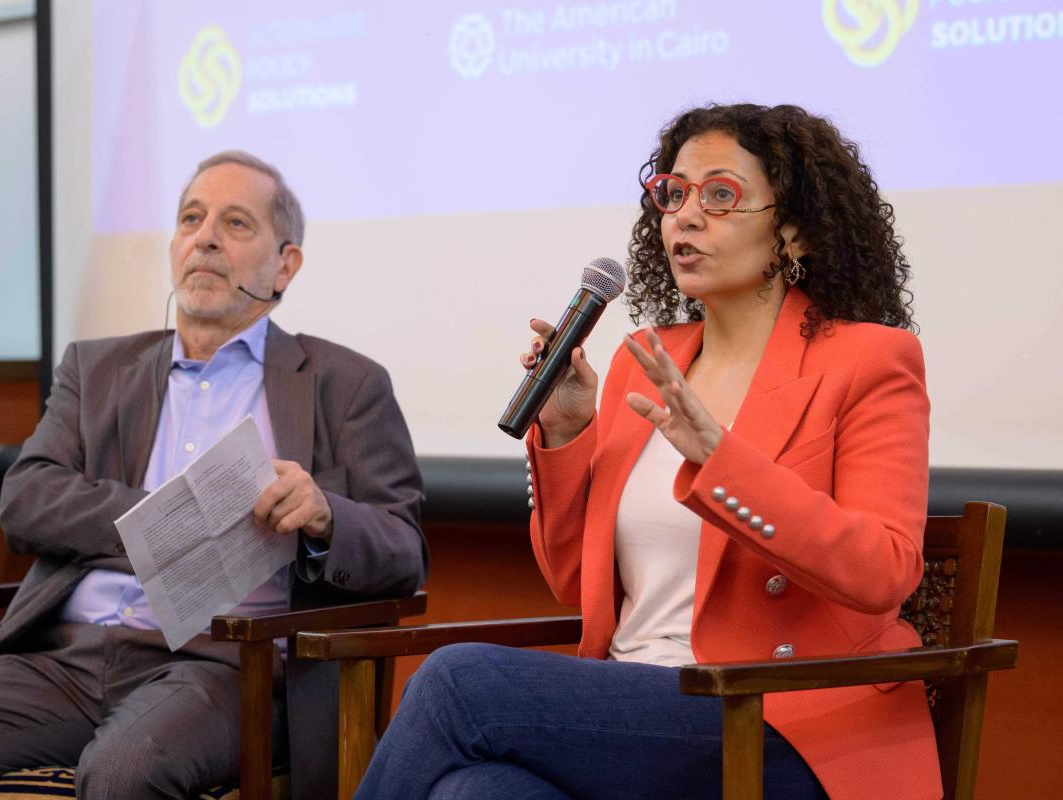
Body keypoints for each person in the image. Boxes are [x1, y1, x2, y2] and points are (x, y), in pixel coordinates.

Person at [356, 103, 933, 799]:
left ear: (795, 228)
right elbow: (579, 586)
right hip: (639, 707)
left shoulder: (868, 360)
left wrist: (722, 462)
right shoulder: (646, 362)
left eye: (721, 195)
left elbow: (885, 570)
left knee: (456, 682)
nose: (685, 216)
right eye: (673, 193)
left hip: (778, 719)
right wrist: (567, 433)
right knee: (474, 793)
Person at [0, 151, 428, 800]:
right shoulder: (97, 371)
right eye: (191, 219)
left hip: (224, 667)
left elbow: (404, 551)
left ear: (285, 265)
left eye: (235, 224)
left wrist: (325, 516)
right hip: (74, 660)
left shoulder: (346, 386)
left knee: (122, 774)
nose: (204, 238)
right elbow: (27, 499)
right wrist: (168, 525)